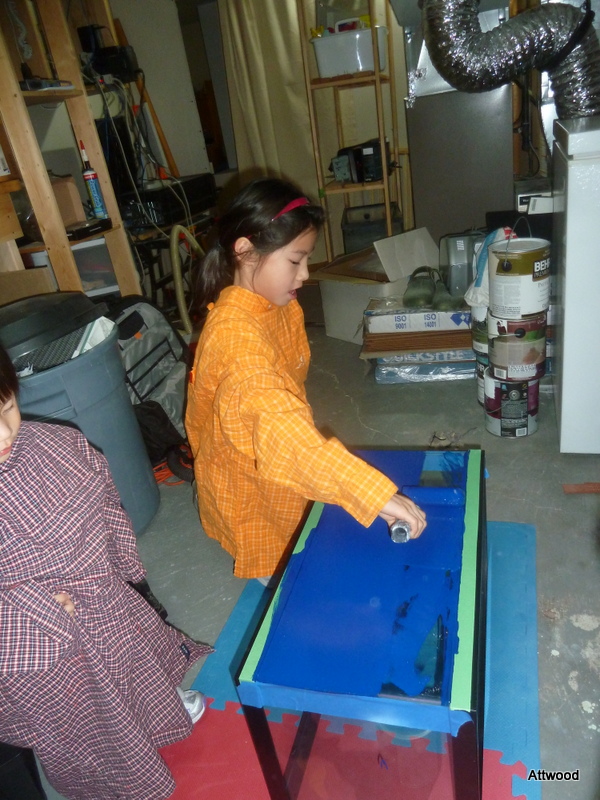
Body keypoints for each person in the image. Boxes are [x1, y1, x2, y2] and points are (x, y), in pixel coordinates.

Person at [186, 178, 427, 583]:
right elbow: (279, 429)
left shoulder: (275, 303)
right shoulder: (234, 340)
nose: (305, 274)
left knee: (314, 514)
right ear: (244, 251)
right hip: (249, 482)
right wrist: (373, 494)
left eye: (307, 259)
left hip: (279, 452)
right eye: (295, 261)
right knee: (295, 573)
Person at [0, 343, 212, 800]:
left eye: (7, 407)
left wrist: (122, 561)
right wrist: (27, 605)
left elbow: (104, 497)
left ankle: (154, 707)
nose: (4, 433)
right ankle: (116, 766)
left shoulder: (53, 442)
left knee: (132, 652)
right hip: (37, 635)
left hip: (100, 588)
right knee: (88, 706)